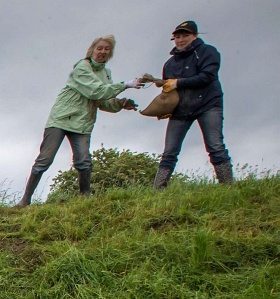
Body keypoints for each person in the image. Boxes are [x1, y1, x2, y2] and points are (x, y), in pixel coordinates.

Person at [16, 36, 139, 206]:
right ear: (92, 50)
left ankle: (84, 198)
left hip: (82, 122)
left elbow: (103, 101)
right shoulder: (82, 67)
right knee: (45, 159)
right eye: (100, 48)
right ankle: (25, 200)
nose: (103, 52)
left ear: (111, 53)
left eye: (107, 49)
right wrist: (124, 85)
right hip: (61, 119)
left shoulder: (106, 74)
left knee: (83, 161)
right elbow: (95, 91)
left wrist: (120, 103)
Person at [154, 20, 232, 189]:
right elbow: (171, 88)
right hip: (181, 110)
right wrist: (165, 100)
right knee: (169, 151)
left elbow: (208, 76)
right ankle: (157, 190)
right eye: (177, 37)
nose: (181, 40)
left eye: (185, 35)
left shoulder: (207, 52)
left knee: (215, 146)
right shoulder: (169, 63)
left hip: (208, 104)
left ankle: (228, 186)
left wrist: (178, 83)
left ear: (195, 36)